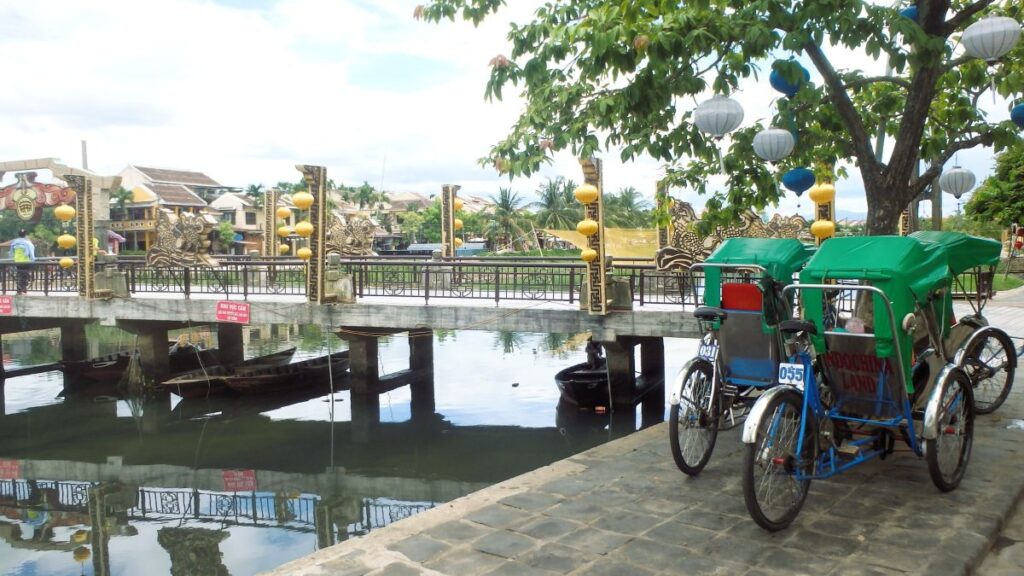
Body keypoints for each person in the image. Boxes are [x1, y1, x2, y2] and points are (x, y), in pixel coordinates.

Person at [10, 229, 35, 295]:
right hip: (25, 261)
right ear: (25, 235)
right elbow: (31, 253)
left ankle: (19, 290)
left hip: (17, 261)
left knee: (20, 275)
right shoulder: (27, 242)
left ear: (18, 234)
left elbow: (11, 253)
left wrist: (12, 259)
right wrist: (33, 260)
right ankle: (23, 288)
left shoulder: (14, 242)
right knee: (24, 275)